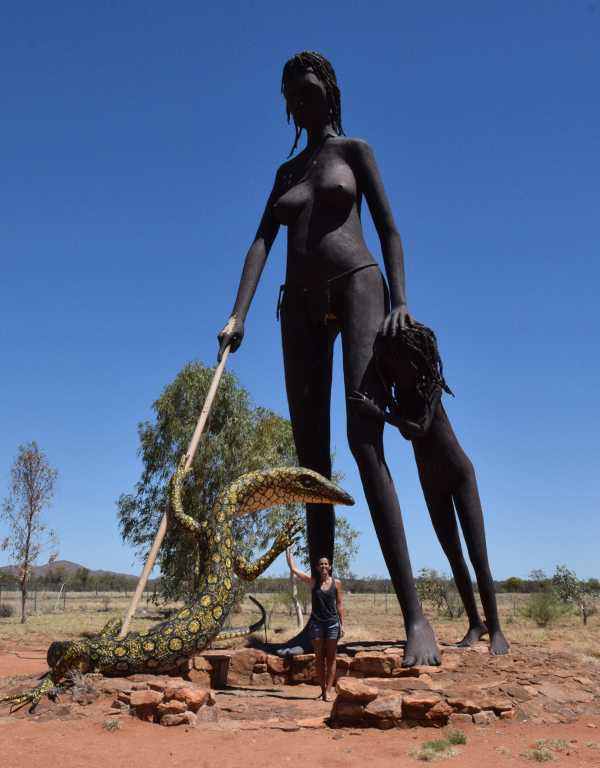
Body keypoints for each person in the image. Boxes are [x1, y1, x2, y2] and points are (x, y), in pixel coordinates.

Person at [217, 51, 440, 667]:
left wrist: (400, 300)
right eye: (292, 94)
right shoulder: (285, 172)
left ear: (331, 93)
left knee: (366, 442)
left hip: (359, 284)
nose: (301, 100)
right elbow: (262, 241)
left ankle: (416, 619)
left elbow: (390, 230)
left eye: (310, 89)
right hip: (299, 307)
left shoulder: (355, 153)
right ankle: (321, 619)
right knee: (311, 462)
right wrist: (238, 314)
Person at [347, 321, 510, 654]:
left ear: (418, 359)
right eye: (391, 363)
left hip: (459, 474)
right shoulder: (398, 398)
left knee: (478, 556)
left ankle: (496, 629)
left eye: (403, 359)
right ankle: (475, 624)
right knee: (454, 557)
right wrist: (381, 409)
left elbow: (420, 427)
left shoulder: (432, 386)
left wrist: (379, 413)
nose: (398, 367)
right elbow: (407, 430)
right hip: (430, 480)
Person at [286, 542, 344, 701]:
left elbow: (339, 604)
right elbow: (294, 569)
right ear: (317, 568)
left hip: (332, 624)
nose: (324, 566)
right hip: (317, 624)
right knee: (319, 658)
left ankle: (328, 691)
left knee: (331, 658)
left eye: (326, 564)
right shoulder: (313, 582)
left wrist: (342, 624)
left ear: (330, 567)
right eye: (321, 564)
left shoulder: (336, 583)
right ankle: (322, 691)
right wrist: (290, 551)